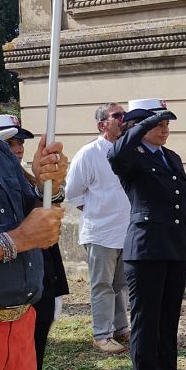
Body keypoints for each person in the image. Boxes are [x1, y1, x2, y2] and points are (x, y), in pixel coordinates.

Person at [0, 51, 68, 370]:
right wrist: (18, 239)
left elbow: (32, 212)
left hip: (21, 326)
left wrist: (49, 185)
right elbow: (25, 233)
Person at [107, 99, 186, 370]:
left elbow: (185, 207)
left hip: (176, 248)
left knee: (168, 322)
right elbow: (115, 153)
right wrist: (142, 124)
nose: (164, 128)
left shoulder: (171, 157)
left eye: (166, 123)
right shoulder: (131, 155)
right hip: (147, 250)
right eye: (157, 124)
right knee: (147, 323)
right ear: (138, 126)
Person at [65, 102, 132, 354]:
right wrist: (97, 211)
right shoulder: (89, 153)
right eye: (118, 115)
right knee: (102, 285)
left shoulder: (128, 150)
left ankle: (121, 328)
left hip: (126, 231)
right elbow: (72, 193)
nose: (124, 119)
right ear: (102, 124)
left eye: (125, 115)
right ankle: (102, 335)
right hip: (101, 232)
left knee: (120, 284)